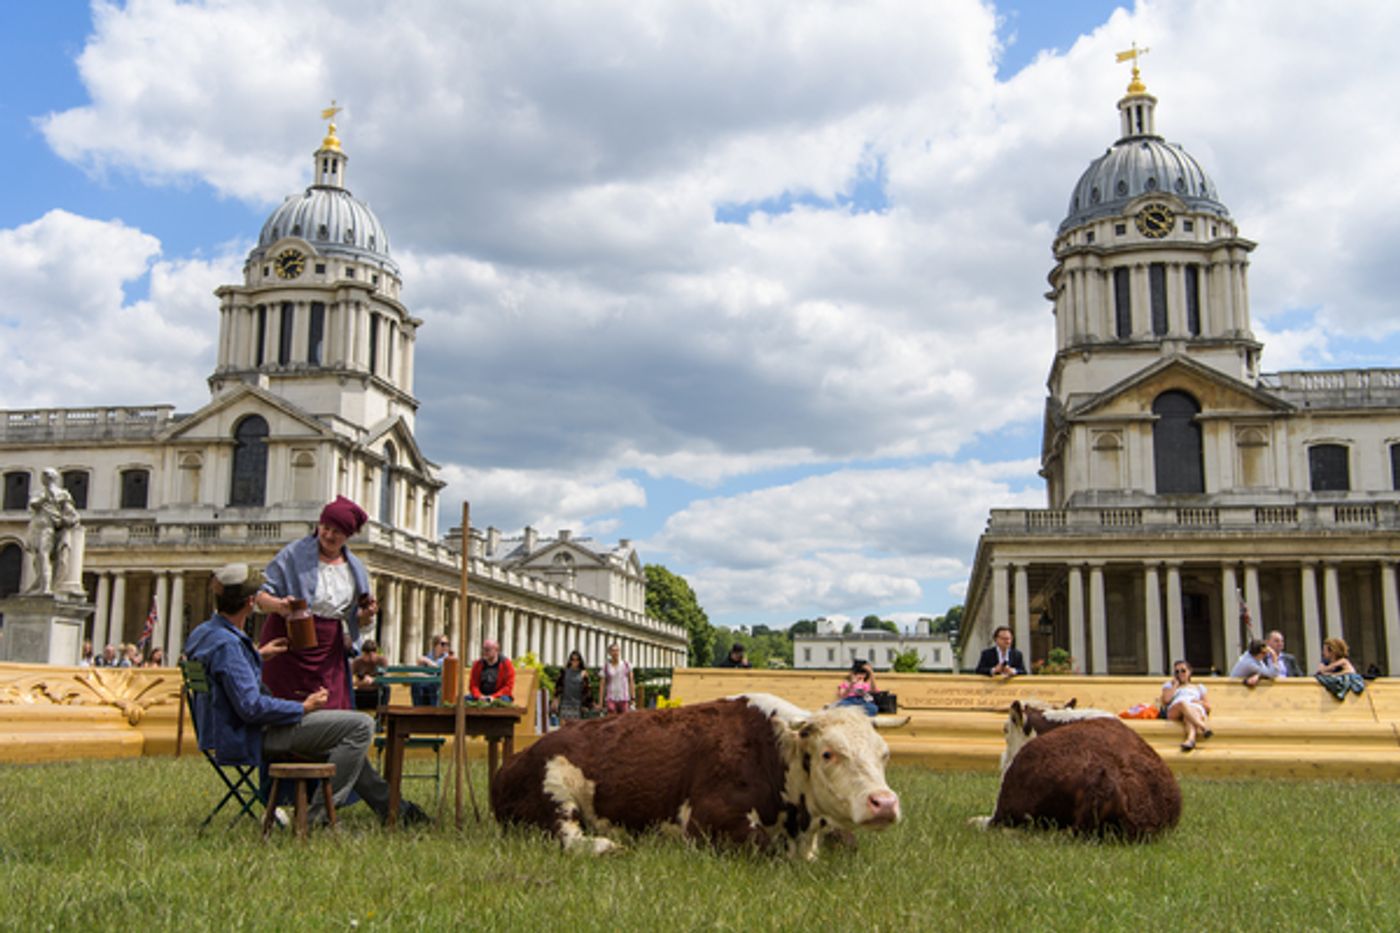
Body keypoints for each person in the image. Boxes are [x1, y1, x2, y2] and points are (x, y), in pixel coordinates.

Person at [183, 563, 427, 828]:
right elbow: (251, 708)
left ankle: (394, 810)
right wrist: (303, 707)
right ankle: (317, 817)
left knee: (341, 740)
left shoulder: (204, 633)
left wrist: (258, 655)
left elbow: (224, 675)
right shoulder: (228, 645)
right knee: (361, 726)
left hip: (222, 731)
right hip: (250, 734)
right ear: (250, 602)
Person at [255, 496, 380, 711]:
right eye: (326, 528)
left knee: (330, 709)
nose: (329, 535)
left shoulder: (355, 568)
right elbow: (260, 597)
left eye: (337, 531)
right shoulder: (293, 554)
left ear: (348, 536)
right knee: (285, 708)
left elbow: (354, 618)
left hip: (328, 651)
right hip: (288, 644)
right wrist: (279, 605)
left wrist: (366, 615)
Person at [24, 467, 80, 595]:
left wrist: (67, 521)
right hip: (35, 527)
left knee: (44, 555)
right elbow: (34, 504)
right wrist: (47, 495)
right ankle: (39, 584)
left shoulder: (62, 494)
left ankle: (46, 587)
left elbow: (72, 515)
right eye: (44, 476)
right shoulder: (39, 494)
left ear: (53, 478)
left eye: (47, 476)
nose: (44, 479)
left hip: (48, 528)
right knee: (37, 558)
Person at [1162, 660, 1212, 752]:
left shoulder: (1198, 687)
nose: (1180, 674)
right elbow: (1166, 700)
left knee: (1188, 715)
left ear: (1189, 672)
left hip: (1193, 708)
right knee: (1183, 703)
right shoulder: (1169, 686)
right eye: (1177, 672)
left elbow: (1208, 707)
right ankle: (1203, 727)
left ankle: (1190, 739)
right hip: (1176, 709)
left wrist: (1199, 702)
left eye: (1183, 671)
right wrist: (1175, 686)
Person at [468, 639, 515, 704]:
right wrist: (479, 696)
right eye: (483, 649)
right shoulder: (477, 664)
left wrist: (493, 697)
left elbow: (508, 687)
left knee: (504, 700)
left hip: (499, 696)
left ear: (496, 650)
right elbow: (473, 685)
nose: (484, 652)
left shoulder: (506, 664)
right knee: (465, 699)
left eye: (488, 650)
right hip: (481, 696)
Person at [553, 650, 593, 723]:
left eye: (577, 660)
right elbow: (558, 686)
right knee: (563, 730)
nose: (575, 662)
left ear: (580, 661)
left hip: (577, 705)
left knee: (574, 731)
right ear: (570, 660)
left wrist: (587, 705)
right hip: (565, 704)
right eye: (573, 659)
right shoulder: (564, 672)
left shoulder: (583, 673)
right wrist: (555, 699)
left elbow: (588, 691)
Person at [413, 634, 452, 706]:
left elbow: (439, 668)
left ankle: (434, 709)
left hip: (440, 685)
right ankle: (418, 710)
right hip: (427, 682)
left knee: (432, 686)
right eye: (443, 644)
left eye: (447, 644)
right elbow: (419, 665)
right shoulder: (429, 655)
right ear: (435, 645)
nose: (445, 646)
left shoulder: (447, 658)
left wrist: (428, 662)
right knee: (416, 684)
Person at [351, 638, 387, 711]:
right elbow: (349, 680)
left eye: (372, 655)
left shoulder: (381, 661)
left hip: (376, 690)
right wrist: (361, 683)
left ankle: (382, 714)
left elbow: (384, 677)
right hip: (361, 691)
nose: (370, 658)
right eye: (367, 655)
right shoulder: (357, 662)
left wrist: (373, 680)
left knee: (387, 688)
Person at [600, 643, 634, 715]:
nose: (615, 652)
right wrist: (600, 703)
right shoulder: (606, 666)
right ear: (609, 653)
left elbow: (631, 681)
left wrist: (633, 698)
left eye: (617, 650)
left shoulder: (626, 664)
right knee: (612, 721)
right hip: (610, 698)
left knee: (624, 722)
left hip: (624, 698)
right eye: (613, 651)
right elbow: (602, 685)